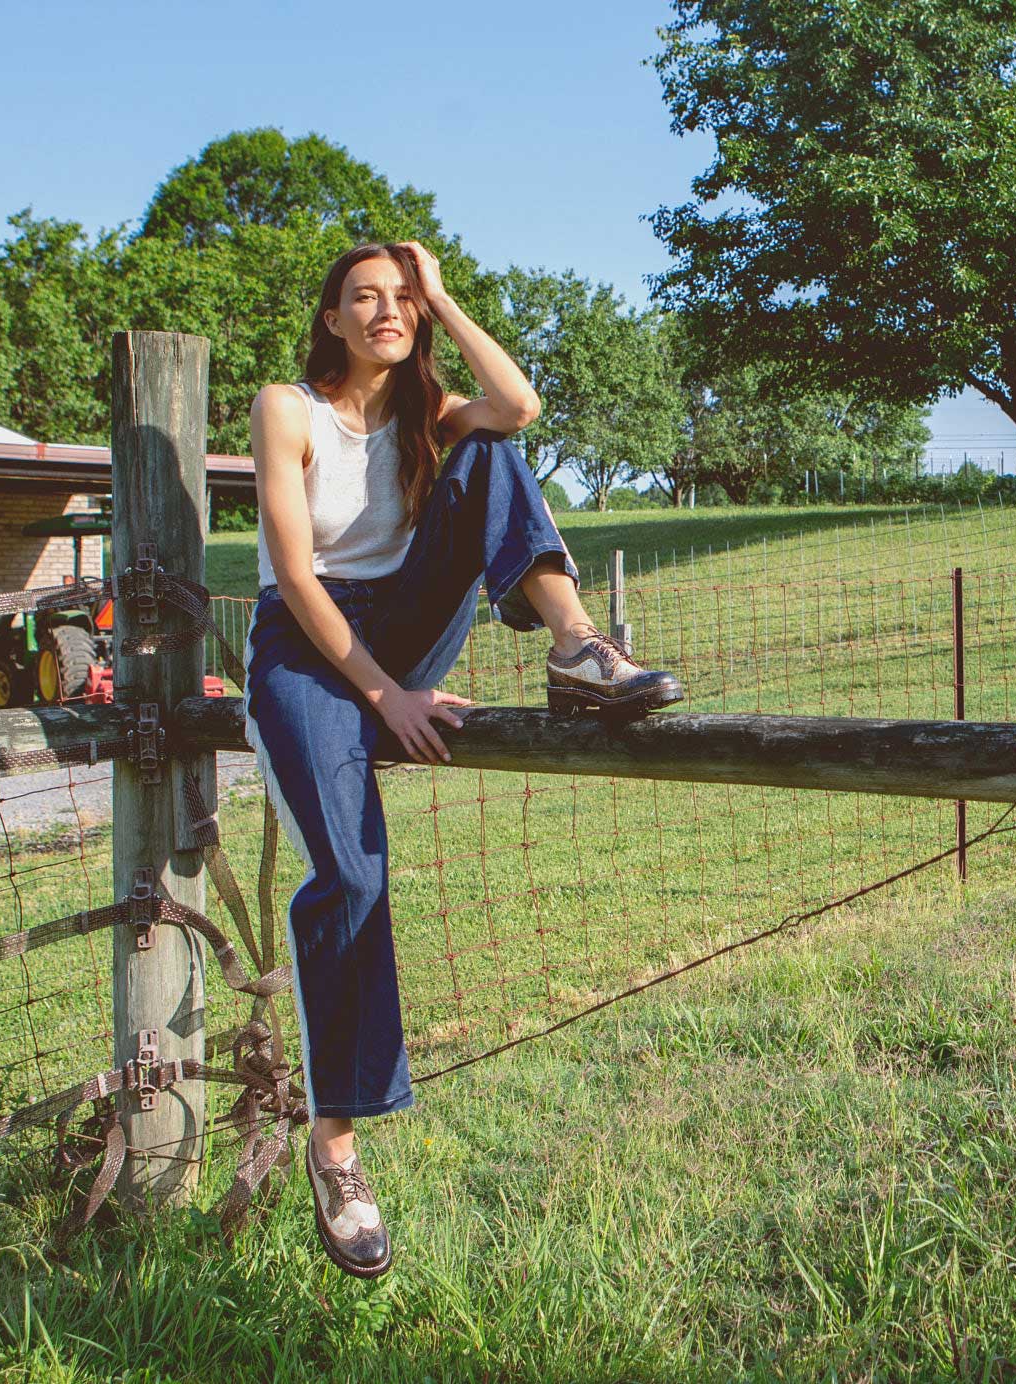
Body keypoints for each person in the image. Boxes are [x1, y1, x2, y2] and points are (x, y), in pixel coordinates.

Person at [241, 240, 683, 1278]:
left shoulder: (425, 417)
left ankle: (579, 645)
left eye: (402, 299)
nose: (387, 311)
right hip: (306, 647)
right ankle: (336, 1147)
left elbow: (520, 408)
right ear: (333, 319)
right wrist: (386, 694)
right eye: (367, 298)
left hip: (397, 627)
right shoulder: (287, 408)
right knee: (349, 871)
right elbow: (298, 577)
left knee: (493, 455)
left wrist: (444, 293)